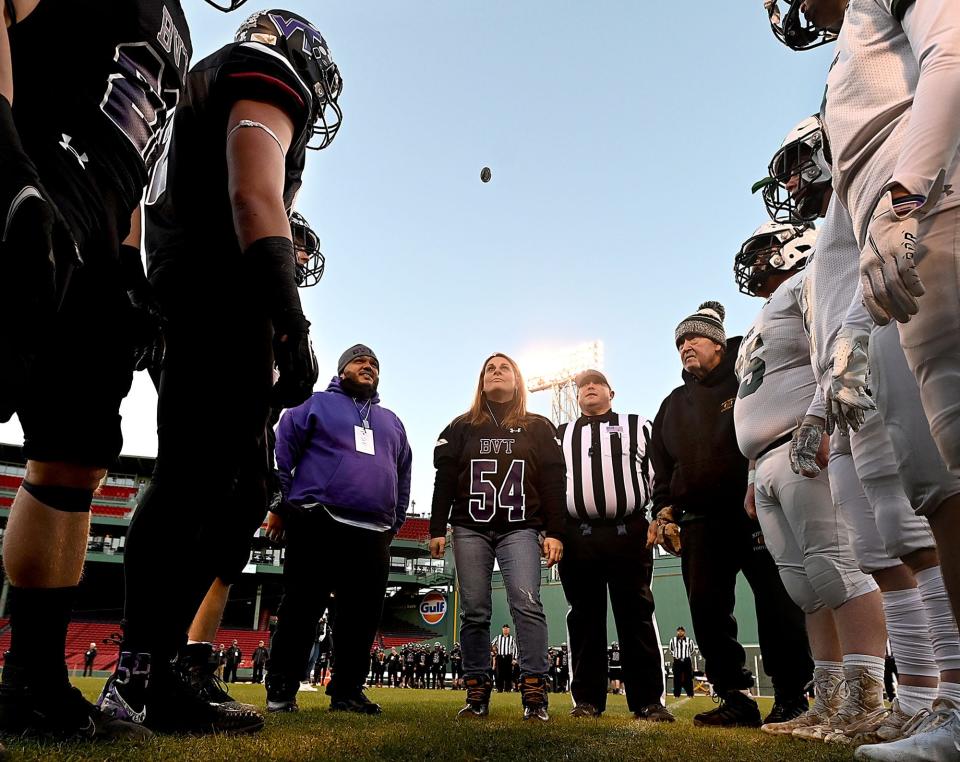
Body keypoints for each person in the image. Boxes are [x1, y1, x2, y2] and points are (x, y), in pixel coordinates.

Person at [98, 8, 342, 735]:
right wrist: (290, 325)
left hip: (181, 289)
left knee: (230, 486)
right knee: (196, 486)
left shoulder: (188, 95)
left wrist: (146, 282)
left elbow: (146, 200)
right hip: (217, 295)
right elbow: (252, 193)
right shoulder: (262, 73)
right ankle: (141, 675)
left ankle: (163, 665)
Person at [765, 4, 960, 758]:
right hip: (897, 235)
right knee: (935, 489)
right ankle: (942, 702)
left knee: (934, 492)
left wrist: (905, 196)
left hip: (930, 203)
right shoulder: (850, 57)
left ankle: (927, 696)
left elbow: (949, 59)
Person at [0, 0, 196, 742]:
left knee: (73, 456)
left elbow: (136, 156)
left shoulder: (178, 21)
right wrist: (5, 159)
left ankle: (34, 683)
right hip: (29, 165)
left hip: (95, 214)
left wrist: (126, 262)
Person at [734, 218, 897, 740]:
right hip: (767, 459)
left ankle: (868, 698)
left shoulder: (808, 283)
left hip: (801, 441)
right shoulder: (765, 310)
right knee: (805, 588)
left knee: (838, 570)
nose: (757, 262)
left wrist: (817, 417)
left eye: (764, 250)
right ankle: (828, 701)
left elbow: (829, 349)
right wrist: (751, 470)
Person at [647, 302, 813, 728]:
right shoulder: (672, 405)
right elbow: (662, 466)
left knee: (777, 601)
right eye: (680, 341)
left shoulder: (747, 380)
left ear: (719, 343)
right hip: (699, 521)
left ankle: (792, 695)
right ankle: (734, 696)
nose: (686, 346)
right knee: (706, 608)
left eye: (694, 338)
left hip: (754, 508)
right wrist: (663, 509)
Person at [265, 345, 412, 715]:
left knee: (361, 615)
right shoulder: (313, 403)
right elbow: (282, 449)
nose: (369, 366)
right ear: (342, 368)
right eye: (360, 361)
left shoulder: (391, 420)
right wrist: (280, 505)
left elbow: (403, 472)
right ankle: (282, 687)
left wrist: (394, 521)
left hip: (373, 529)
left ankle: (347, 690)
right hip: (319, 518)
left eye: (375, 363)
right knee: (302, 605)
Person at [430, 352, 565, 721]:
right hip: (470, 526)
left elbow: (554, 482)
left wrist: (555, 531)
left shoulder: (538, 426)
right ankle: (477, 691)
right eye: (490, 368)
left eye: (504, 367)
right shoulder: (460, 427)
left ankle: (535, 691)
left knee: (527, 603)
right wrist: (436, 526)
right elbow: (444, 480)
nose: (496, 371)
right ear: (481, 381)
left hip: (520, 526)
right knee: (474, 610)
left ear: (518, 380)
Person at [556, 369, 671, 722]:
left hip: (628, 531)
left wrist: (661, 516)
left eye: (596, 383)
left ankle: (648, 700)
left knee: (635, 615)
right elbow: (550, 485)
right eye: (582, 386)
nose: (589, 387)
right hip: (579, 535)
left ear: (611, 392)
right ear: (577, 397)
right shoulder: (560, 434)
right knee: (584, 618)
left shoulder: (638, 425)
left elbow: (658, 476)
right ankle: (587, 700)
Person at [669, 627, 694, 699]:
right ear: (677, 632)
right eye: (679, 631)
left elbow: (692, 650)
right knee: (677, 678)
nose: (680, 632)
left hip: (686, 661)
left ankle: (690, 694)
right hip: (677, 661)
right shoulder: (673, 640)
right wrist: (675, 656)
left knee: (688, 678)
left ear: (684, 632)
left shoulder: (689, 640)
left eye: (681, 631)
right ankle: (676, 695)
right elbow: (671, 649)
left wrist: (686, 657)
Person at [492, 625, 517, 693]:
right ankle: (499, 688)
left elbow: (515, 648)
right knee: (499, 673)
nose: (505, 630)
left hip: (508, 657)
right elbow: (492, 645)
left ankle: (508, 689)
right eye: (504, 629)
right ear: (502, 630)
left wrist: (514, 658)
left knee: (508, 674)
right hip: (500, 657)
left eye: (507, 629)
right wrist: (494, 652)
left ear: (509, 630)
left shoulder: (512, 638)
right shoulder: (498, 637)